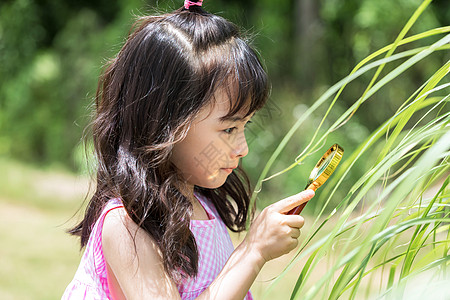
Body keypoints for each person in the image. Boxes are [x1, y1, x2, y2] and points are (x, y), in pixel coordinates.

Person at [62, 0, 315, 299]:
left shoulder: (200, 203)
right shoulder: (127, 224)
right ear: (166, 124)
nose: (243, 148)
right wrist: (253, 251)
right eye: (229, 129)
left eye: (245, 126)